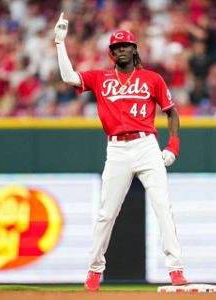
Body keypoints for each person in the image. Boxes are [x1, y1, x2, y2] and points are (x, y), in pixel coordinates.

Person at [54, 13, 187, 291]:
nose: (121, 49)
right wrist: (59, 42)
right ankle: (93, 271)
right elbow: (68, 77)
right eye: (116, 47)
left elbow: (171, 111)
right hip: (116, 148)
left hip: (146, 144)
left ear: (135, 49)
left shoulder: (152, 78)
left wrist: (172, 146)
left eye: (125, 45)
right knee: (106, 213)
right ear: (111, 53)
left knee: (163, 206)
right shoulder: (101, 78)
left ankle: (176, 269)